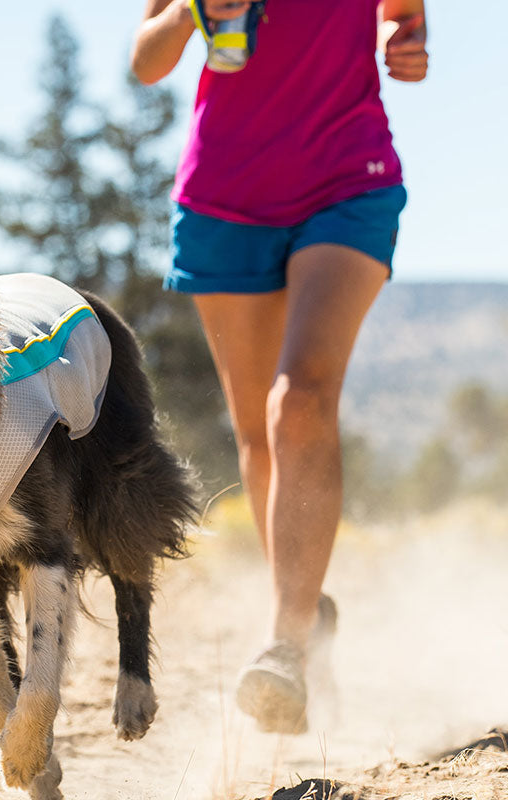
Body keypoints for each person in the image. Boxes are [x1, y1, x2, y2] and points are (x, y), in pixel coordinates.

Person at [131, 0, 428, 733]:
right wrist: (196, 13)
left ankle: (286, 645)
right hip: (224, 199)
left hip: (347, 181)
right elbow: (146, 60)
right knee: (259, 435)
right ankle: (308, 617)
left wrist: (403, 41)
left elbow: (406, 14)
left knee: (300, 401)